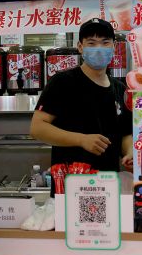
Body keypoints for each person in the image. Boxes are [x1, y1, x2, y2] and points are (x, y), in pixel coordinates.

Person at [31, 18, 133, 181]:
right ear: (80, 47)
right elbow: (37, 128)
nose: (99, 48)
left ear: (113, 47)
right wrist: (81, 140)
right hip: (70, 185)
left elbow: (126, 133)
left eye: (105, 43)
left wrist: (129, 153)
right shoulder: (62, 82)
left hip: (108, 184)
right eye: (91, 43)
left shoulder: (120, 88)